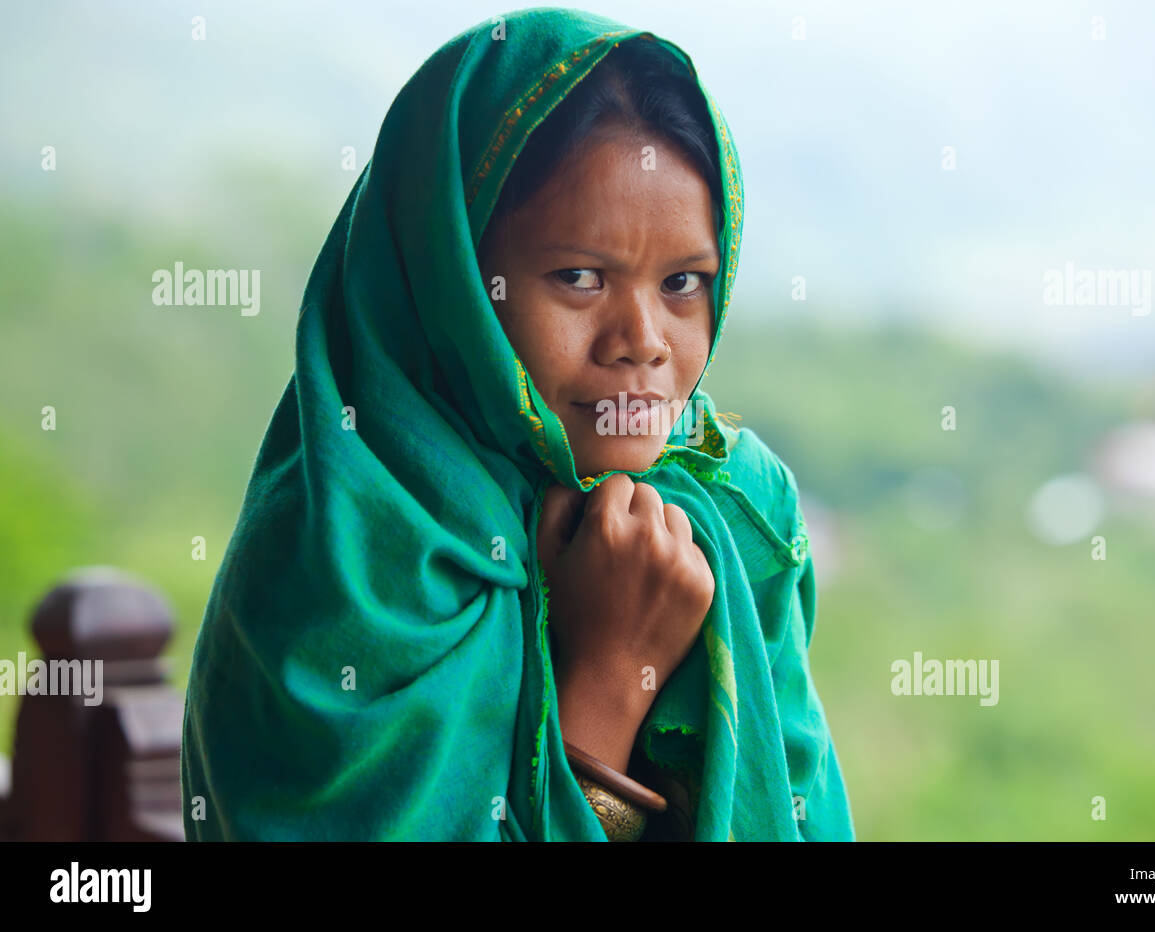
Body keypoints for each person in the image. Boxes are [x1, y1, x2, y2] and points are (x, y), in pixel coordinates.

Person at [181, 6, 854, 842]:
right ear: (451, 279)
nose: (642, 342)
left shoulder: (735, 520)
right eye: (577, 277)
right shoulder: (350, 565)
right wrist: (611, 673)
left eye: (683, 283)